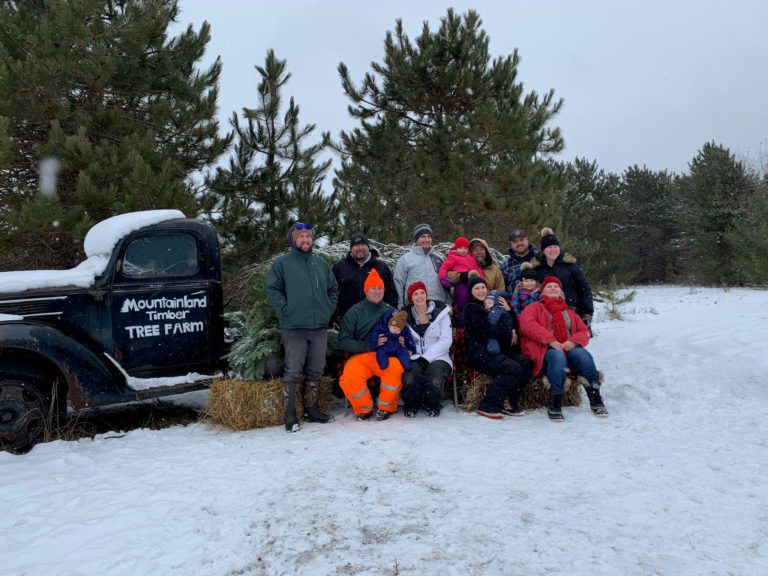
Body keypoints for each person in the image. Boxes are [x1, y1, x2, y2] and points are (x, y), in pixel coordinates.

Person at [266, 222, 338, 432]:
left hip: (319, 327)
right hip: (294, 327)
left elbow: (333, 289)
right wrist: (286, 309)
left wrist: (327, 309)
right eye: (301, 237)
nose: (305, 240)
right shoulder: (282, 264)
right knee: (293, 370)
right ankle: (290, 414)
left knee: (316, 369)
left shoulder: (320, 264)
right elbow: (273, 289)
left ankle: (312, 409)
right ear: (293, 240)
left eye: (308, 237)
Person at [519, 276, 607, 421]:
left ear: (561, 291)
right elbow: (528, 325)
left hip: (568, 349)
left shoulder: (570, 312)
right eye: (549, 286)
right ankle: (555, 400)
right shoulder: (534, 308)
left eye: (556, 286)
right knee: (557, 357)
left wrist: (573, 341)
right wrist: (550, 340)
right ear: (542, 291)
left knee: (582, 354)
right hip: (545, 351)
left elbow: (584, 331)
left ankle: (595, 396)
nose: (553, 288)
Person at [337, 269, 404, 421]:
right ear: (366, 290)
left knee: (395, 368)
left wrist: (403, 342)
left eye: (380, 288)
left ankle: (386, 407)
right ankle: (363, 408)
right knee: (351, 373)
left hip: (387, 355)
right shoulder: (354, 312)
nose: (377, 291)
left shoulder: (392, 312)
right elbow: (343, 341)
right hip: (362, 356)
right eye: (373, 288)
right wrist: (369, 345)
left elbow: (404, 334)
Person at [463, 276, 531, 419]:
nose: (481, 291)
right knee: (512, 368)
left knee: (526, 363)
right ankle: (488, 404)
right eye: (477, 288)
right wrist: (508, 333)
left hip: (499, 349)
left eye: (483, 287)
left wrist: (509, 311)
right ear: (471, 292)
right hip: (481, 352)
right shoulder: (472, 308)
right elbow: (487, 329)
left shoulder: (494, 306)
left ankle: (510, 402)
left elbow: (513, 326)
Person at [400, 281, 453, 418]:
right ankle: (412, 404)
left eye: (422, 293)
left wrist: (427, 357)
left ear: (426, 294)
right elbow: (399, 337)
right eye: (415, 294)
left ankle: (432, 403)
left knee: (434, 377)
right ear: (411, 298)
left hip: (439, 356)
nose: (419, 296)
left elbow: (446, 340)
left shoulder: (440, 313)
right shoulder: (404, 316)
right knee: (411, 377)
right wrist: (404, 346)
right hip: (415, 356)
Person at [533, 227, 594, 329]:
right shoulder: (537, 269)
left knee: (574, 342)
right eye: (549, 247)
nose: (553, 250)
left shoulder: (570, 265)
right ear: (543, 251)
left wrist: (587, 314)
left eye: (555, 246)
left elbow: (584, 289)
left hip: (573, 311)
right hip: (547, 315)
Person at [332, 233, 397, 325]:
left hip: (376, 320)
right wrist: (335, 316)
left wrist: (389, 315)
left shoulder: (381, 267)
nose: (360, 248)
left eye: (363, 245)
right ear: (351, 248)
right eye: (356, 245)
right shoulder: (340, 267)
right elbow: (331, 292)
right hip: (347, 321)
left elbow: (391, 293)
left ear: (368, 247)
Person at [394, 223, 449, 308]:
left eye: (429, 236)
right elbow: (398, 284)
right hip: (414, 306)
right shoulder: (405, 259)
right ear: (416, 239)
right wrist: (401, 307)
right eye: (423, 236)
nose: (427, 239)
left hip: (438, 306)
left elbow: (446, 283)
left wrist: (448, 304)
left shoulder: (439, 258)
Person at [438, 236, 484, 324]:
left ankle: (471, 316)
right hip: (461, 283)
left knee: (472, 300)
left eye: (465, 248)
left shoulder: (471, 258)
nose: (463, 250)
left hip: (472, 283)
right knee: (461, 299)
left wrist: (481, 279)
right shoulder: (453, 257)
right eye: (460, 248)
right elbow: (444, 268)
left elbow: (478, 268)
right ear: (456, 248)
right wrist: (443, 278)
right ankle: (461, 317)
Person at [501, 228, 538, 293]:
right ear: (511, 244)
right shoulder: (505, 264)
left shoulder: (539, 257)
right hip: (514, 302)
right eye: (515, 241)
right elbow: (502, 288)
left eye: (521, 240)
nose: (519, 243)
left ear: (527, 239)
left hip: (538, 301)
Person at [484, 289, 512, 355]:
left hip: (500, 333)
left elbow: (492, 321)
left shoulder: (497, 310)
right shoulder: (491, 310)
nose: (487, 305)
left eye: (489, 303)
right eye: (486, 303)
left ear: (496, 302)